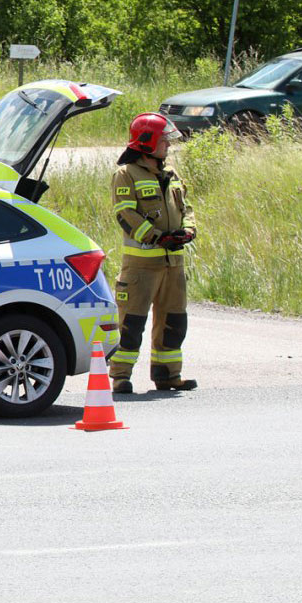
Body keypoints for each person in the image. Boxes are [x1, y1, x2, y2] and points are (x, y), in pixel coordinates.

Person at [109, 113, 195, 395]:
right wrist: (157, 237)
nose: (168, 146)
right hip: (141, 267)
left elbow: (186, 208)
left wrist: (188, 230)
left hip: (173, 264)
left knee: (174, 322)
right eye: (163, 141)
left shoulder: (171, 174)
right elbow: (126, 214)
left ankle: (168, 374)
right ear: (146, 142)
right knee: (131, 324)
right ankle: (120, 377)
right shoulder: (126, 174)